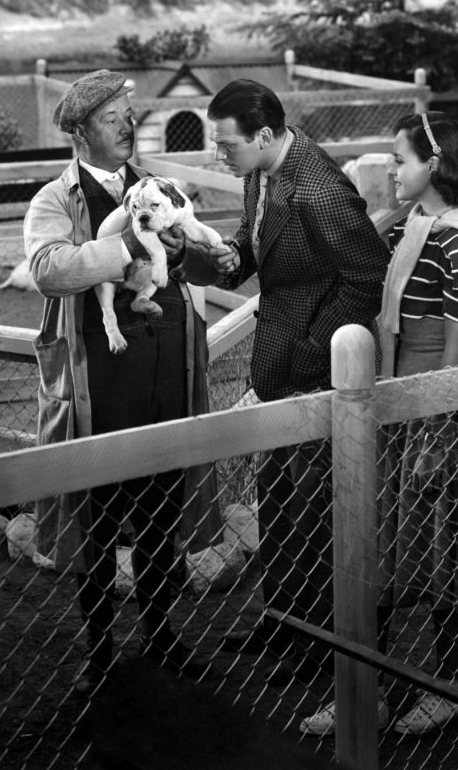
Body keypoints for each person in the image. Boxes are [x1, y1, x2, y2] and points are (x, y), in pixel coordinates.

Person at [300, 110, 458, 737]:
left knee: (444, 547)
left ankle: (447, 685)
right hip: (398, 403)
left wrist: (438, 436)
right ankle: (373, 689)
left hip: (439, 410)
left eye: (400, 159)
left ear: (435, 165)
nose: (390, 170)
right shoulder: (415, 228)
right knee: (379, 550)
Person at [25, 68, 227, 697]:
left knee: (163, 504)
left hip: (167, 365)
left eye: (128, 118)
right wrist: (127, 253)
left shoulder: (157, 187)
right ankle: (100, 648)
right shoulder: (55, 201)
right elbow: (47, 269)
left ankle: (162, 632)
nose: (127, 128)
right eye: (112, 120)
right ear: (81, 132)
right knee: (98, 511)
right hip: (101, 375)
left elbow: (191, 260)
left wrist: (198, 248)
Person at [206, 78, 390, 687]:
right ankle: (281, 619)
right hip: (277, 369)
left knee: (314, 510)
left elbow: (367, 274)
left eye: (225, 144)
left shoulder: (318, 188)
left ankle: (317, 646)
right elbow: (260, 239)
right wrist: (233, 256)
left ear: (262, 135)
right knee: (280, 501)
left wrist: (314, 352)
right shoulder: (262, 167)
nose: (219, 155)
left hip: (313, 372)